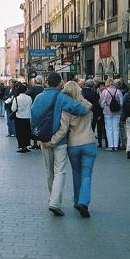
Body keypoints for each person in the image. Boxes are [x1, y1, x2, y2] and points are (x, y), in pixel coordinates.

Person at [35, 73, 86, 216]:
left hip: (44, 140)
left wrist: (39, 135)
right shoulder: (62, 97)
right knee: (60, 171)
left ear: (46, 83)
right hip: (60, 141)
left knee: (49, 171)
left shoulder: (38, 98)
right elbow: (80, 109)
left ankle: (53, 198)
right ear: (60, 84)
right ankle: (54, 202)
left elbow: (33, 117)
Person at [47, 81, 96, 218]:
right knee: (86, 174)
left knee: (76, 172)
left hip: (73, 144)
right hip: (89, 142)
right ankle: (83, 202)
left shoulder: (66, 108)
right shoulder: (86, 104)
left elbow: (63, 130)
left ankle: (76, 200)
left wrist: (51, 142)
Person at [99, 79, 123, 152]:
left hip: (107, 112)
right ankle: (116, 146)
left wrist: (105, 107)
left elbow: (101, 103)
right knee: (116, 128)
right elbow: (122, 102)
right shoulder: (118, 91)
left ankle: (110, 146)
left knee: (109, 129)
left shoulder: (105, 92)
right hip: (117, 112)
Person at [11, 83, 33, 152]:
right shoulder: (29, 98)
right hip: (27, 117)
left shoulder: (16, 98)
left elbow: (13, 109)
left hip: (19, 117)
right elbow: (31, 107)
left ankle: (21, 146)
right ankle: (26, 146)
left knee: (20, 133)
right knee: (27, 132)